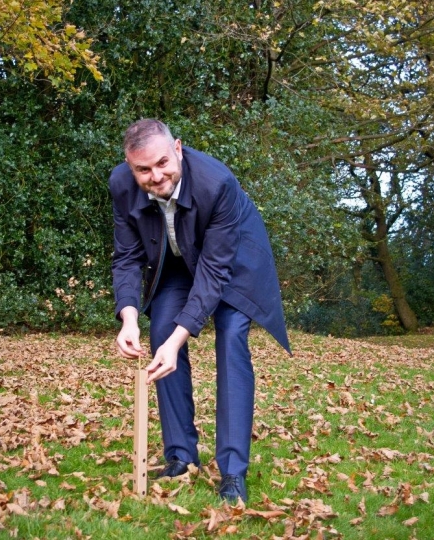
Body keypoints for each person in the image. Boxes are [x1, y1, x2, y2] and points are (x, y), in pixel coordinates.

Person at [109, 118, 291, 504]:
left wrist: (181, 337)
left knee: (229, 339)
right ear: (129, 166)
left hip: (234, 265)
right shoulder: (121, 185)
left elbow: (213, 273)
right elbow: (126, 256)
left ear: (178, 148)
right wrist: (128, 317)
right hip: (175, 262)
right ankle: (180, 456)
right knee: (160, 329)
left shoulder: (217, 182)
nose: (156, 176)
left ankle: (233, 472)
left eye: (162, 163)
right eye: (143, 169)